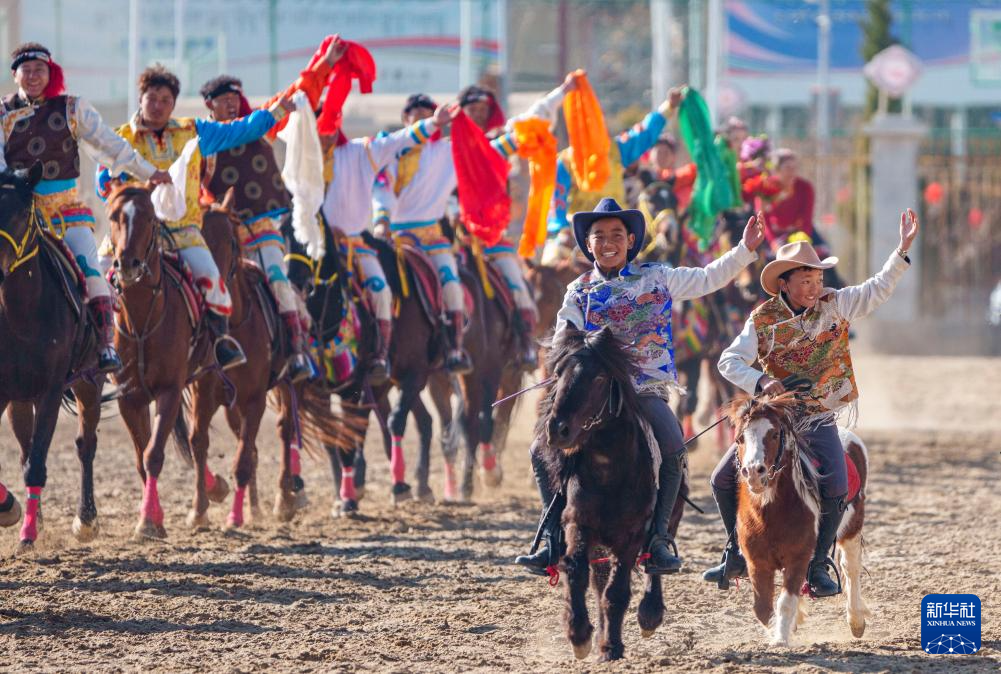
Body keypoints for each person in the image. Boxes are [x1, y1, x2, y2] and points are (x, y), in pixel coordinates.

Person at [515, 197, 764, 575]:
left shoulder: (658, 277)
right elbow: (563, 340)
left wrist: (744, 249)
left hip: (645, 390)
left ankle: (659, 537)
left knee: (674, 448)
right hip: (595, 394)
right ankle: (551, 537)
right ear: (588, 245)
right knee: (540, 449)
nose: (608, 242)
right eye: (599, 236)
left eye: (617, 235)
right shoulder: (578, 291)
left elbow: (708, 278)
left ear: (631, 241)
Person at [704, 210, 920, 596]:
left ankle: (819, 564)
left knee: (837, 483)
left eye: (818, 279)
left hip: (818, 416)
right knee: (720, 479)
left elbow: (876, 290)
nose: (814, 287)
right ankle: (734, 551)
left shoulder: (836, 303)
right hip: (776, 418)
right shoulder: (762, 319)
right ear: (784, 284)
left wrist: (901, 250)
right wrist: (763, 381)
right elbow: (728, 361)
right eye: (806, 280)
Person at [98, 65, 294, 371]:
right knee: (96, 276)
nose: (158, 105)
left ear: (174, 105)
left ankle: (219, 343)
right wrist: (119, 190)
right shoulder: (120, 138)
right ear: (141, 99)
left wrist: (275, 113)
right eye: (153, 98)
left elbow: (239, 129)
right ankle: (97, 347)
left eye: (166, 100)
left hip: (182, 230)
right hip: (132, 231)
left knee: (213, 280)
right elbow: (103, 183)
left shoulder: (193, 131)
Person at [0, 42, 171, 373]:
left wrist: (149, 172)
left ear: (51, 73)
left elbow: (110, 144)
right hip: (16, 211)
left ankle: (105, 344)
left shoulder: (72, 109)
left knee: (90, 268)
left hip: (64, 210)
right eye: (26, 70)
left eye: (40, 70)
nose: (33, 76)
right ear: (15, 75)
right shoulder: (2, 113)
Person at [198, 38, 342, 383]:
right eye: (224, 100)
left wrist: (324, 64)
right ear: (209, 105)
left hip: (262, 229)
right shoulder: (201, 142)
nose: (232, 104)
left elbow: (298, 92)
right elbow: (193, 190)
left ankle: (296, 350)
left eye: (235, 99)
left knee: (277, 279)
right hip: (221, 235)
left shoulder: (262, 123)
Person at [317, 85, 449, 384]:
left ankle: (379, 354)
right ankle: (295, 353)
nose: (324, 133)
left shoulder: (361, 152)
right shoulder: (304, 161)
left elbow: (397, 140)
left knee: (380, 290)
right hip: (315, 248)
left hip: (355, 244)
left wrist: (433, 124)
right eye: (318, 126)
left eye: (329, 124)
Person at [455, 79, 572, 367]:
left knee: (520, 290)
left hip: (495, 240)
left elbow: (534, 118)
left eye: (483, 110)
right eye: (473, 110)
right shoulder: (449, 150)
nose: (478, 115)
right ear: (462, 112)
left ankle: (525, 347)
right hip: (456, 240)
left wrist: (563, 92)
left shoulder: (499, 143)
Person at [542, 85, 683, 267]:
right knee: (548, 267)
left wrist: (668, 107)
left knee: (651, 268)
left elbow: (644, 133)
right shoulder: (564, 162)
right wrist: (562, 230)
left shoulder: (616, 149)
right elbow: (556, 201)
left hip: (619, 229)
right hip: (578, 234)